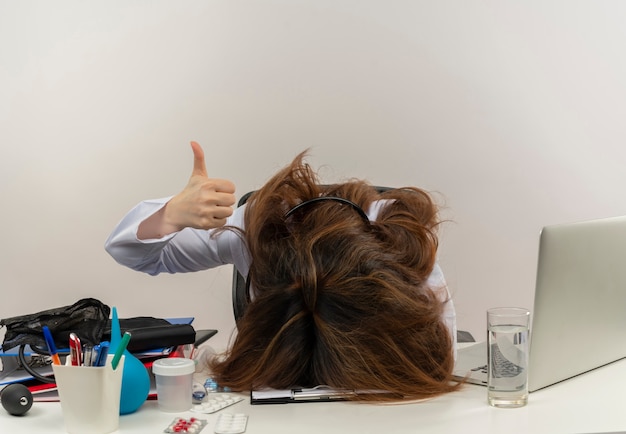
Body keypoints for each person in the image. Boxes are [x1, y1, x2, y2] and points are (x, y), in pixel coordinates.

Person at [105, 141, 461, 401]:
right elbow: (131, 251)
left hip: (379, 396)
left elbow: (438, 351)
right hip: (279, 392)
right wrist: (171, 215)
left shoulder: (395, 231)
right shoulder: (255, 228)